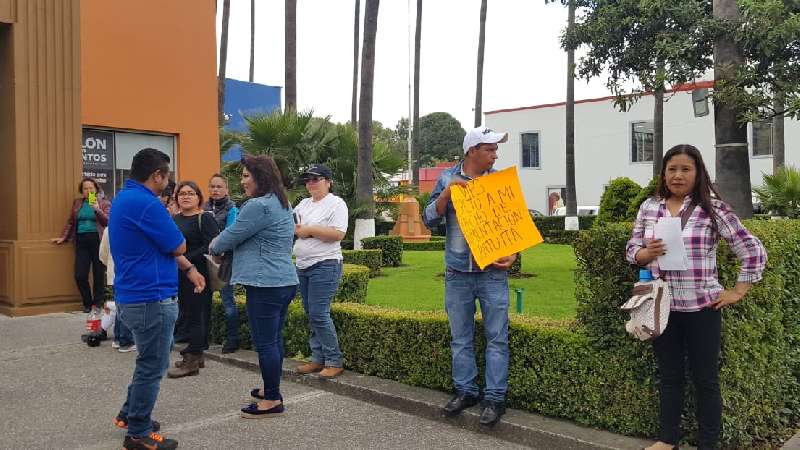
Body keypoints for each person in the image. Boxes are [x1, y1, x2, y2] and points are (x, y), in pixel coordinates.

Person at [626, 144, 767, 450]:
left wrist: (738, 291)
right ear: (663, 173)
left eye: (685, 169)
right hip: (662, 306)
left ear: (698, 172)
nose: (678, 175)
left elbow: (752, 250)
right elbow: (632, 247)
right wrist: (643, 253)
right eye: (672, 169)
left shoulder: (713, 208)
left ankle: (709, 443)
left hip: (703, 306)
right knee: (669, 376)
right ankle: (667, 440)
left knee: (705, 379)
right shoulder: (651, 207)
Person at [110, 148, 205, 450]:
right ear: (157, 175)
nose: (170, 183)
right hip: (151, 297)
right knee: (152, 366)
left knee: (146, 362)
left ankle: (130, 414)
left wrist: (190, 270)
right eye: (168, 176)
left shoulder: (125, 197)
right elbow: (178, 244)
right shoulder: (147, 204)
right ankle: (138, 433)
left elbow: (160, 247)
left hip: (134, 293)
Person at [423, 126, 517, 427]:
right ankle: (466, 391)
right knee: (460, 339)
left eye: (495, 149)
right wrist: (447, 195)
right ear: (472, 150)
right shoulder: (447, 178)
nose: (495, 154)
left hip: (492, 274)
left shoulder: (500, 182)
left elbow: (513, 226)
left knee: (497, 339)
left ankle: (494, 398)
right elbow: (429, 218)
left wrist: (514, 255)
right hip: (458, 273)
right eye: (490, 148)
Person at [209, 155, 298, 419]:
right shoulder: (281, 202)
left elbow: (230, 236)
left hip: (265, 284)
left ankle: (272, 399)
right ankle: (271, 388)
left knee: (265, 343)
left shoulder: (257, 206)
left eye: (246, 176)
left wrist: (214, 245)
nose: (242, 181)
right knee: (274, 340)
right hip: (283, 281)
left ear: (261, 177)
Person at [292, 164, 348, 378]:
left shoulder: (336, 203)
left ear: (328, 181)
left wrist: (309, 230)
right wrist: (309, 232)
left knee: (319, 313)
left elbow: (338, 234)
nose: (311, 183)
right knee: (311, 314)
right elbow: (294, 230)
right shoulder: (303, 205)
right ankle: (317, 358)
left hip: (325, 263)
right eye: (308, 180)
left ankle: (334, 360)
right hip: (303, 264)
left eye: (316, 179)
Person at [168, 181, 219, 378]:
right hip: (179, 274)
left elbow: (211, 245)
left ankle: (191, 359)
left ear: (199, 197)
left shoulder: (204, 218)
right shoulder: (174, 219)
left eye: (190, 193)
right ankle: (196, 356)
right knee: (188, 315)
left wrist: (185, 259)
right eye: (182, 193)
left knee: (198, 316)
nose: (186, 196)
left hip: (199, 274)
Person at [50, 177, 111, 313]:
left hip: (98, 240)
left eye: (91, 188)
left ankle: (97, 303)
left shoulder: (104, 203)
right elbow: (71, 222)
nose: (88, 190)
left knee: (98, 275)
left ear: (95, 189)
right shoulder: (77, 203)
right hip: (81, 241)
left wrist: (97, 209)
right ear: (81, 191)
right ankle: (87, 303)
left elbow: (107, 222)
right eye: (85, 188)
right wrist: (63, 237)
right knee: (80, 275)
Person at [203, 173, 240, 353]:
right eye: (212, 186)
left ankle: (233, 339)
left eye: (219, 187)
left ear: (227, 189)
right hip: (204, 258)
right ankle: (204, 338)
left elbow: (231, 233)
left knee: (227, 302)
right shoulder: (203, 207)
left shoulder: (233, 209)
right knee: (204, 302)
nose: (215, 190)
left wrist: (216, 247)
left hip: (226, 260)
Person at [99, 227, 136, 353]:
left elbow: (102, 255)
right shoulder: (132, 228)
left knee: (119, 306)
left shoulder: (109, 229)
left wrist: (109, 264)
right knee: (127, 307)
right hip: (128, 274)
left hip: (114, 274)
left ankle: (118, 338)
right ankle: (126, 341)